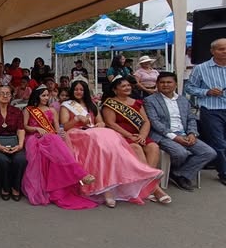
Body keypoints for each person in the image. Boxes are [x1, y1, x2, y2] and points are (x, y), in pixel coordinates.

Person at [60, 79, 163, 208]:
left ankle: (139, 173)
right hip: (77, 134)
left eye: (81, 89)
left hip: (93, 132)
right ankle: (107, 189)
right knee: (100, 146)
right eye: (76, 89)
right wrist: (76, 119)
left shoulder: (91, 104)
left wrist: (99, 124)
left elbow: (101, 122)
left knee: (112, 140)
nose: (79, 92)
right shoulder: (66, 105)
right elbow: (65, 127)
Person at [22, 86, 97, 209]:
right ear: (37, 96)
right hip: (34, 138)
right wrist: (36, 128)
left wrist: (61, 134)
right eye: (43, 95)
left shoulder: (52, 110)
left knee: (56, 140)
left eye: (47, 95)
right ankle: (80, 174)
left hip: (50, 138)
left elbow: (57, 128)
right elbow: (25, 126)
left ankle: (67, 182)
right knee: (53, 141)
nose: (46, 98)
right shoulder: (29, 110)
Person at [101, 77, 170, 203]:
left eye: (128, 85)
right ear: (115, 90)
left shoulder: (137, 102)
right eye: (123, 86)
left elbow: (146, 121)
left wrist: (142, 136)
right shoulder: (110, 104)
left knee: (153, 147)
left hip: (138, 135)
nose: (127, 88)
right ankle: (154, 188)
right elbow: (110, 123)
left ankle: (146, 184)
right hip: (121, 136)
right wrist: (129, 135)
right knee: (136, 148)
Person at [145, 72, 217, 191]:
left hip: (184, 134)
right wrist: (175, 137)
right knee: (180, 153)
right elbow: (155, 122)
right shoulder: (150, 100)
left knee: (209, 152)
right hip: (163, 135)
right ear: (157, 84)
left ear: (176, 84)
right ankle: (181, 173)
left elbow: (191, 119)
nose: (165, 85)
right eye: (162, 82)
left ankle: (179, 173)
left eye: (169, 82)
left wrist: (192, 133)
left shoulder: (183, 100)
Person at [186, 38, 226, 185]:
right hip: (211, 109)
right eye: (221, 49)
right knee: (219, 142)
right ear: (212, 51)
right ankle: (224, 172)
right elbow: (189, 88)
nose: (225, 52)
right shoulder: (201, 68)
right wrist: (206, 92)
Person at [0, 85, 26, 201]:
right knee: (3, 160)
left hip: (14, 141)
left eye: (8, 93)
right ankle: (5, 187)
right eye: (2, 93)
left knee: (20, 159)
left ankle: (16, 187)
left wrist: (20, 145)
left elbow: (21, 129)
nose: (5, 95)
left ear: (11, 96)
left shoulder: (17, 111)